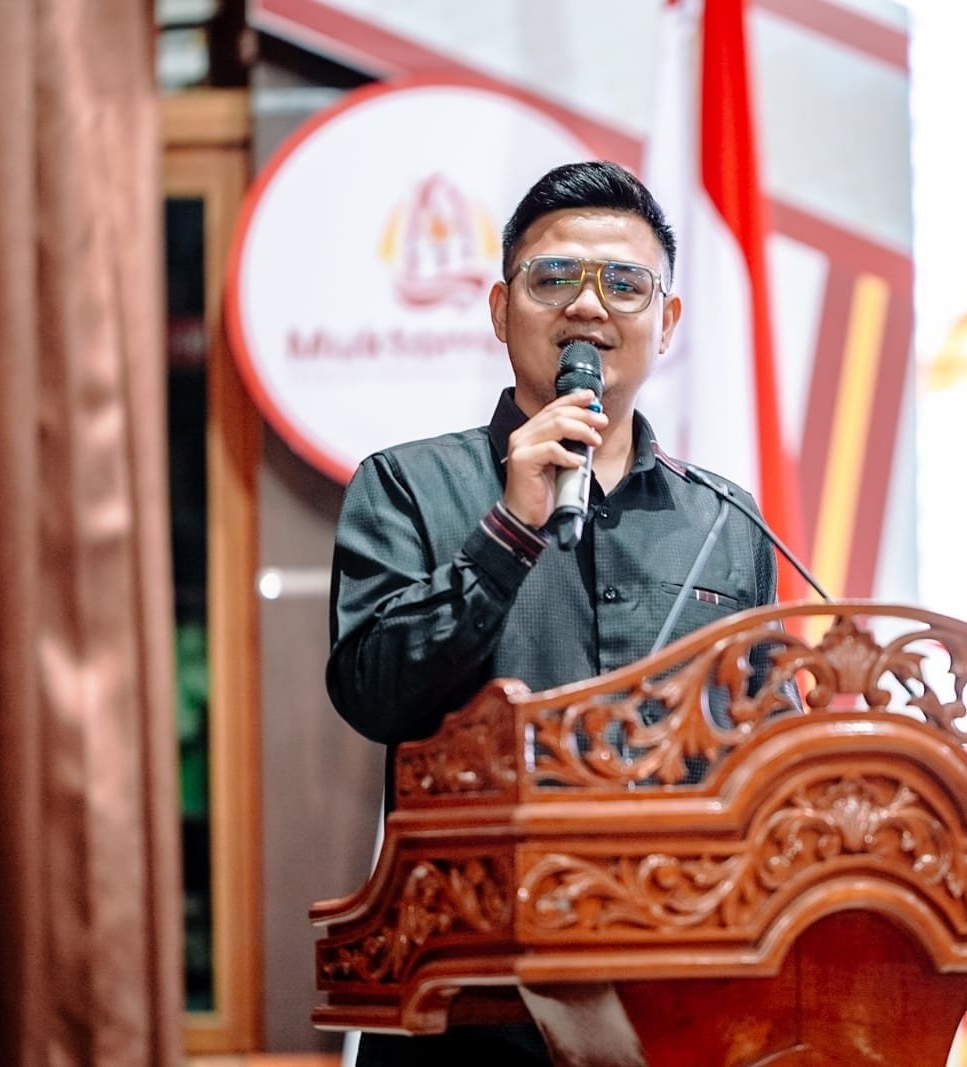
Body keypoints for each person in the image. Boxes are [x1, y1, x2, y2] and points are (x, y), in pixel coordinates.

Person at [326, 160, 780, 1066]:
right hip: (470, 1007)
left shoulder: (725, 518)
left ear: (667, 321)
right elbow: (373, 693)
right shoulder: (405, 485)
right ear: (501, 310)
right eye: (554, 278)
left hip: (682, 996)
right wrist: (508, 526)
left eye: (624, 284)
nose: (588, 306)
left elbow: (765, 739)